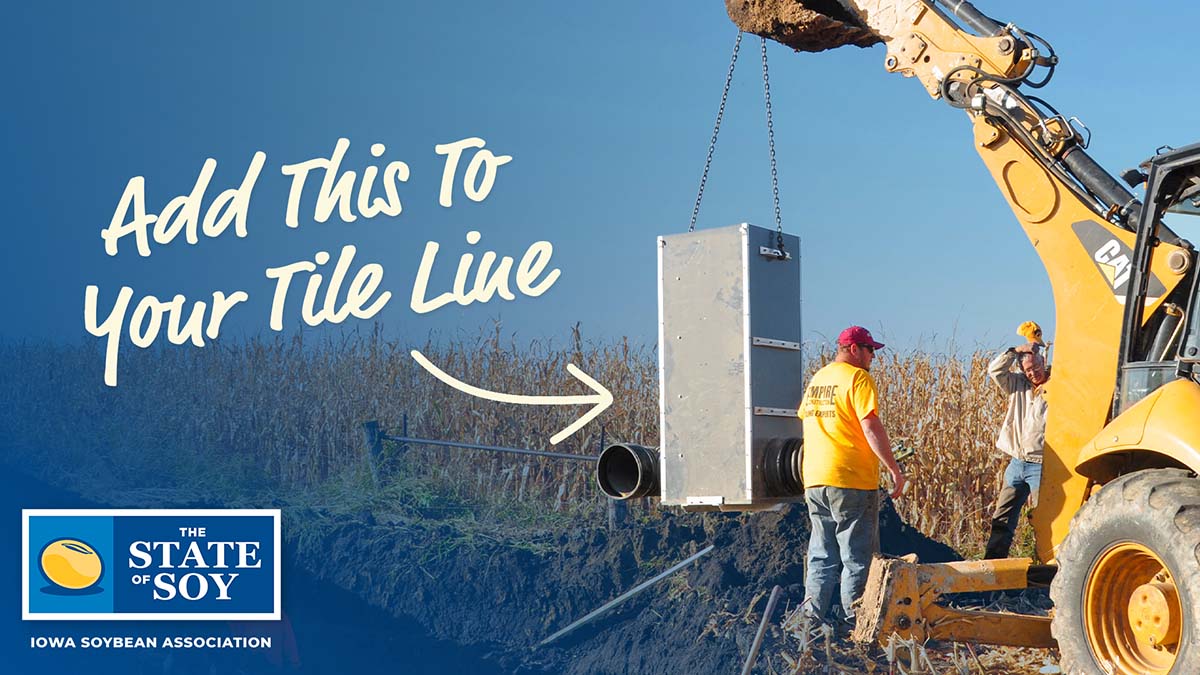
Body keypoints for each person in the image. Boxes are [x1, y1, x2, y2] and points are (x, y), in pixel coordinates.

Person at [798, 325, 907, 628]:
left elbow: (806, 420)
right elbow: (870, 425)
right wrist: (893, 468)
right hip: (850, 479)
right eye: (870, 350)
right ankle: (857, 623)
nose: (873, 356)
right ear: (854, 349)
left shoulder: (819, 379)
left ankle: (808, 623)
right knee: (857, 557)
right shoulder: (858, 378)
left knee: (821, 555)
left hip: (815, 480)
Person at [983, 325, 1049, 560]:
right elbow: (994, 370)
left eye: (1037, 367)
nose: (1034, 373)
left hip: (1042, 465)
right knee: (1002, 517)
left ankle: (1046, 565)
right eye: (1028, 370)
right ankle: (992, 565)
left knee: (1045, 519)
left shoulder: (1057, 386)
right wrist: (1014, 350)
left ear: (1043, 360)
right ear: (1022, 369)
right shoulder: (1017, 385)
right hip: (1017, 463)